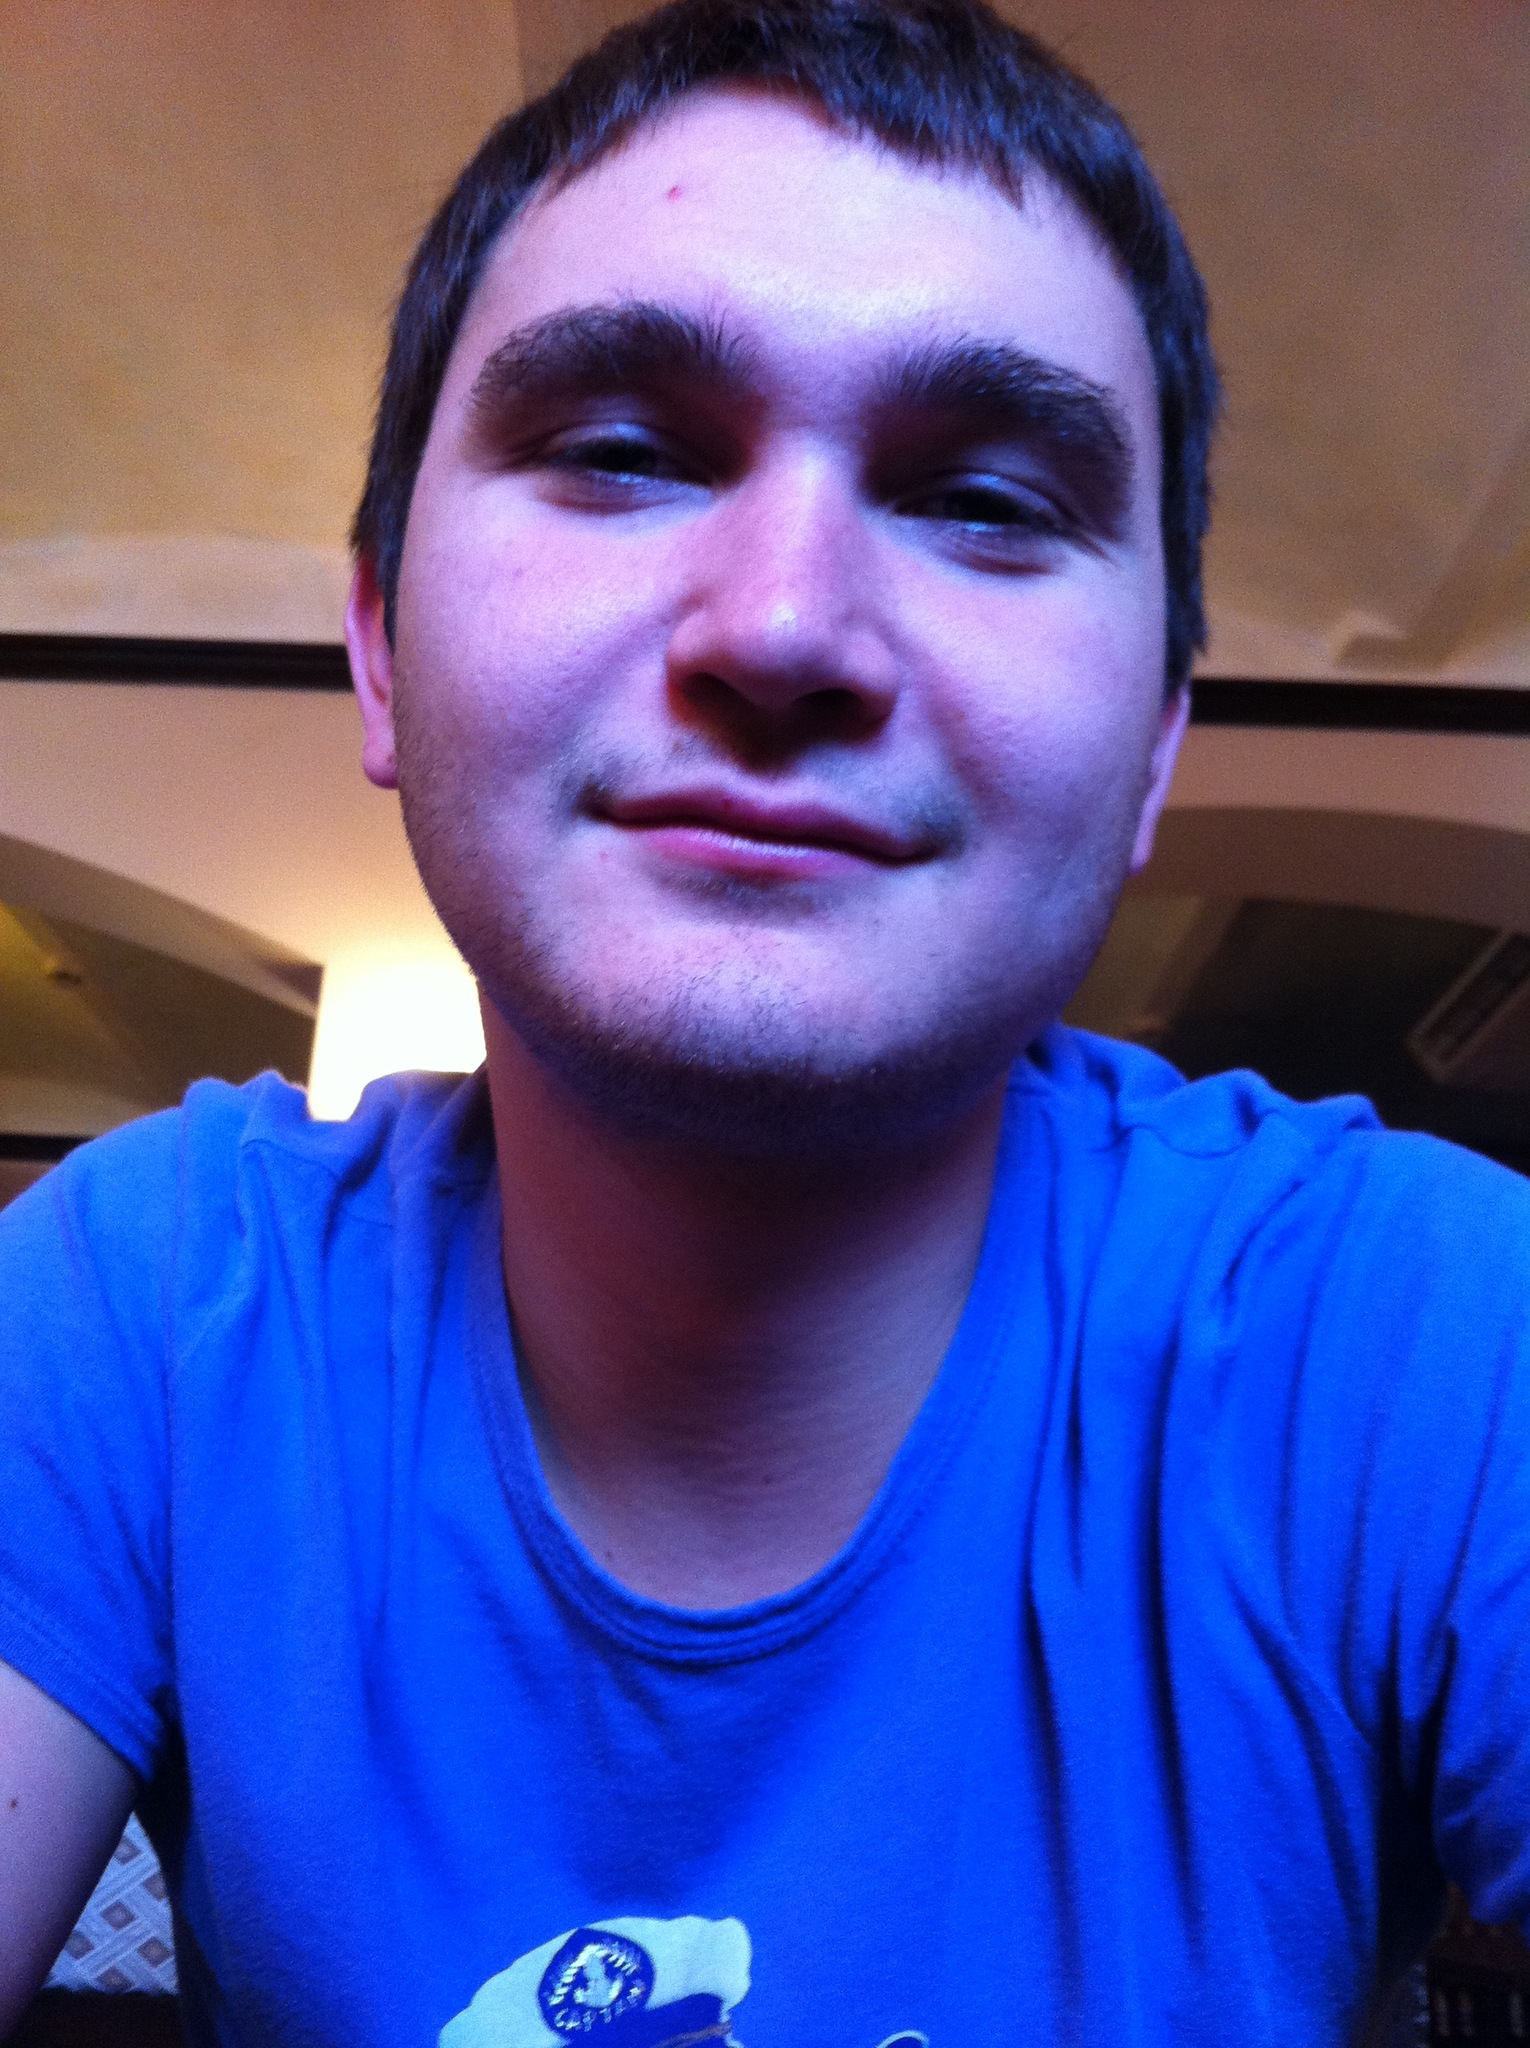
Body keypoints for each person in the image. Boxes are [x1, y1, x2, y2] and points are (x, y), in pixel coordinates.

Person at [1, 1, 1526, 2042]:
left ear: (1156, 744)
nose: (786, 626)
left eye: (987, 501)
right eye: (622, 455)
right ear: (377, 644)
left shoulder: (1424, 1334)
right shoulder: (144, 1301)